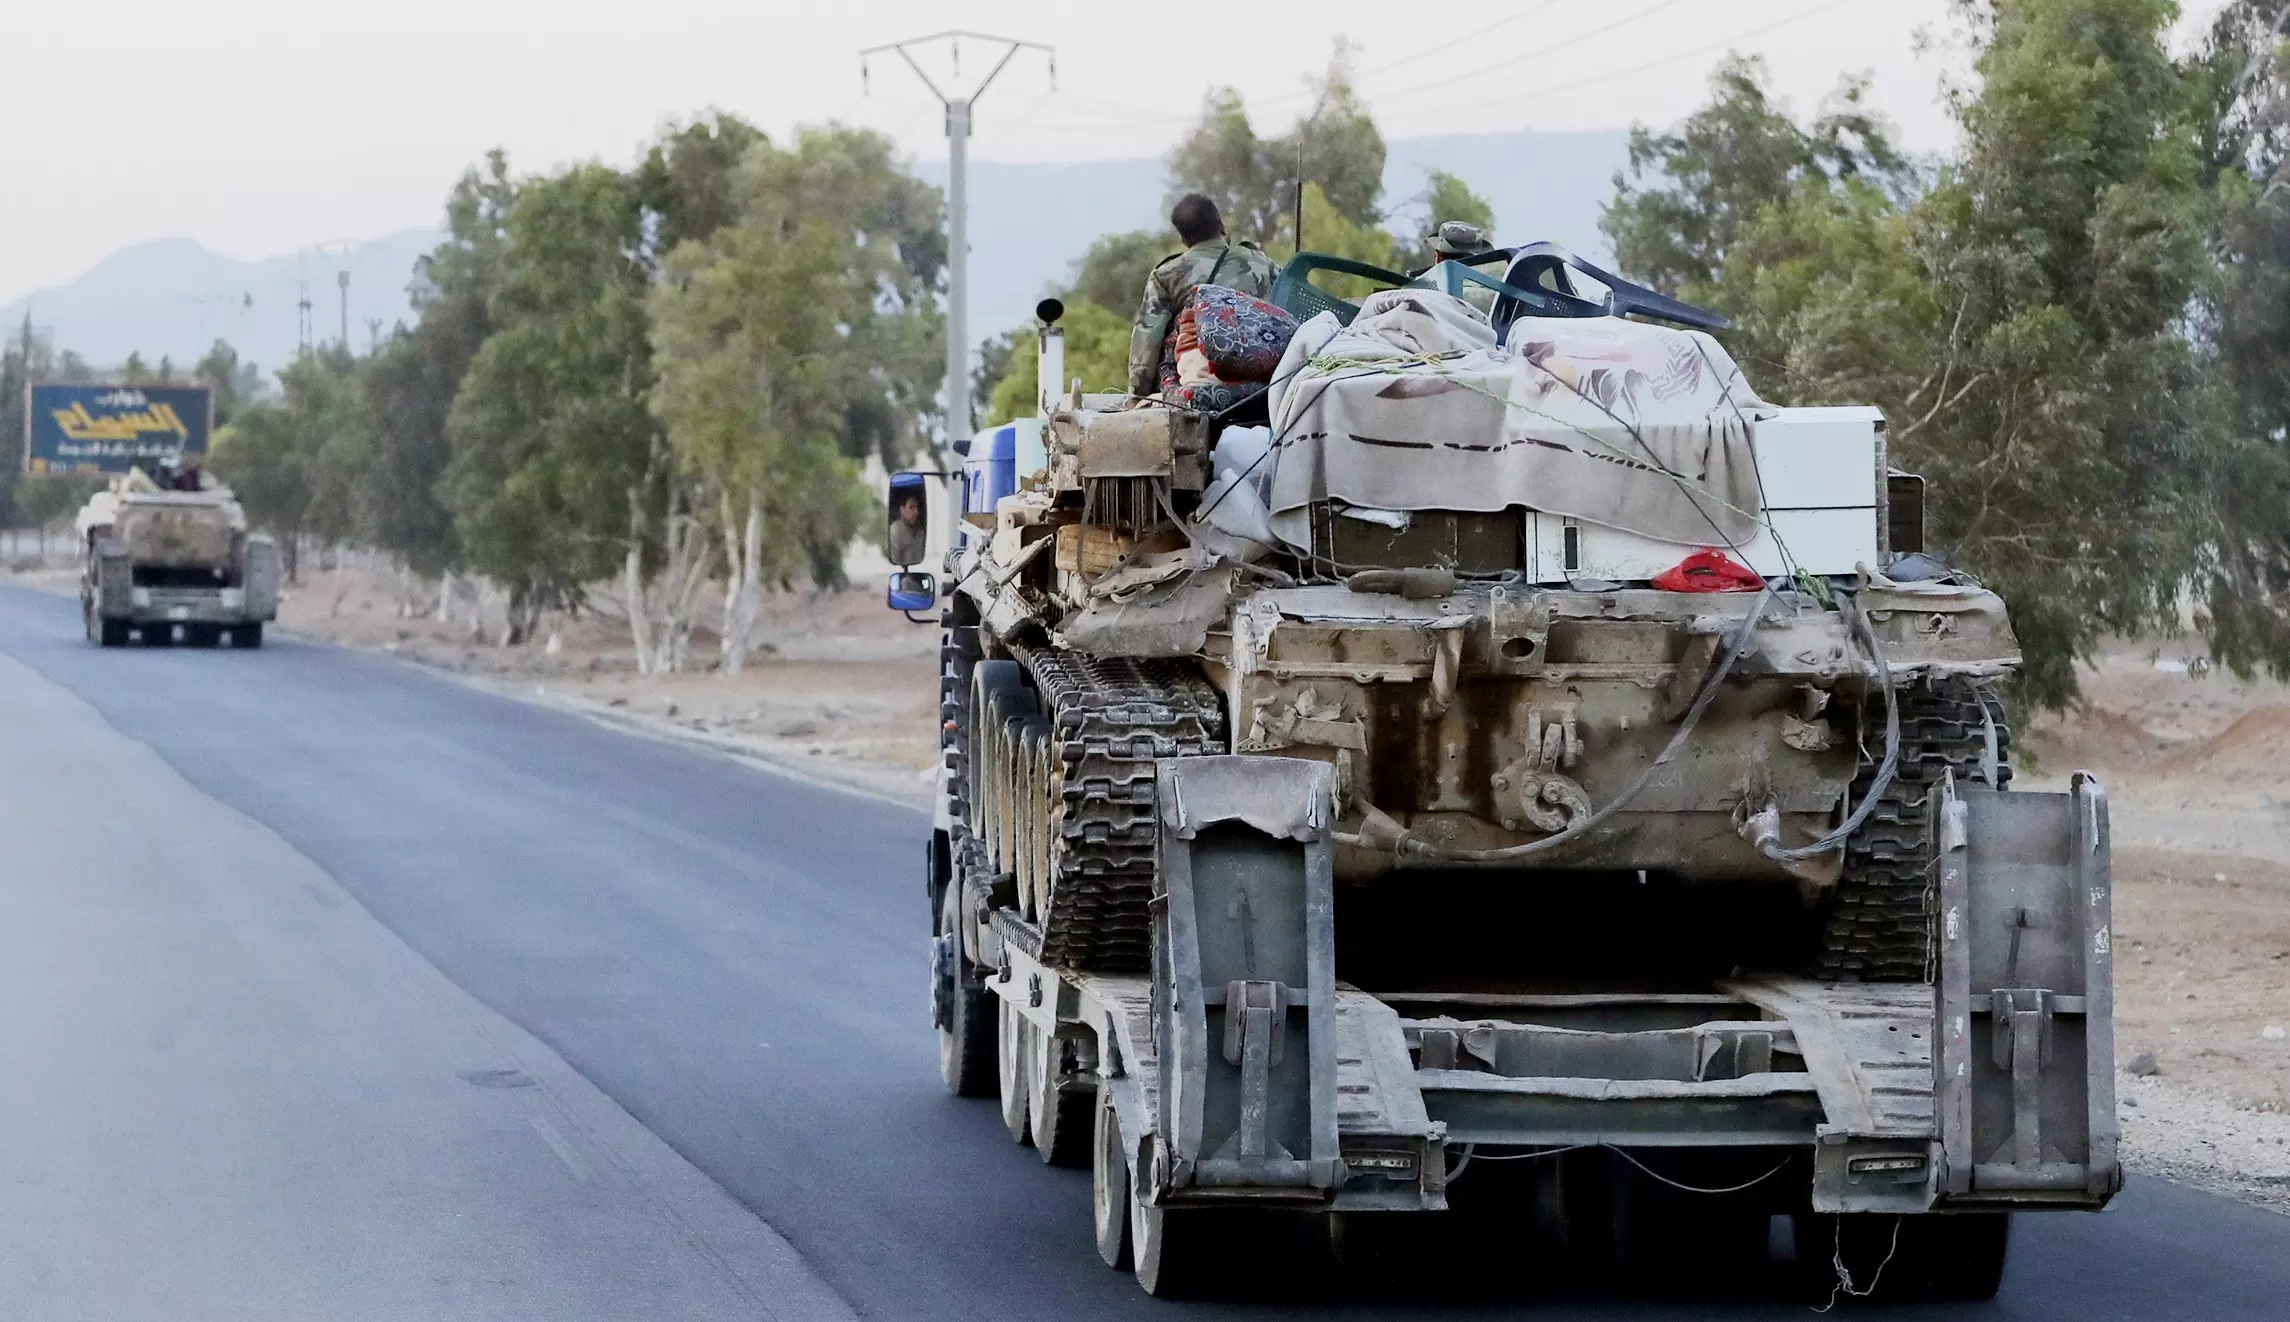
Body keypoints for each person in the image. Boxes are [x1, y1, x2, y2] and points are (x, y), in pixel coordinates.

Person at [1127, 193, 1280, 397]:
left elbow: (1147, 342)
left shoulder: (1166, 275)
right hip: (1262, 382)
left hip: (1197, 384)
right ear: (1221, 226)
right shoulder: (1261, 262)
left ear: (1183, 238)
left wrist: (1137, 395)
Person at [887, 490, 928, 567]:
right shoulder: (895, 532)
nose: (916, 512)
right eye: (911, 507)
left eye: (917, 507)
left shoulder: (920, 532)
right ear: (902, 509)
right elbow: (894, 564)